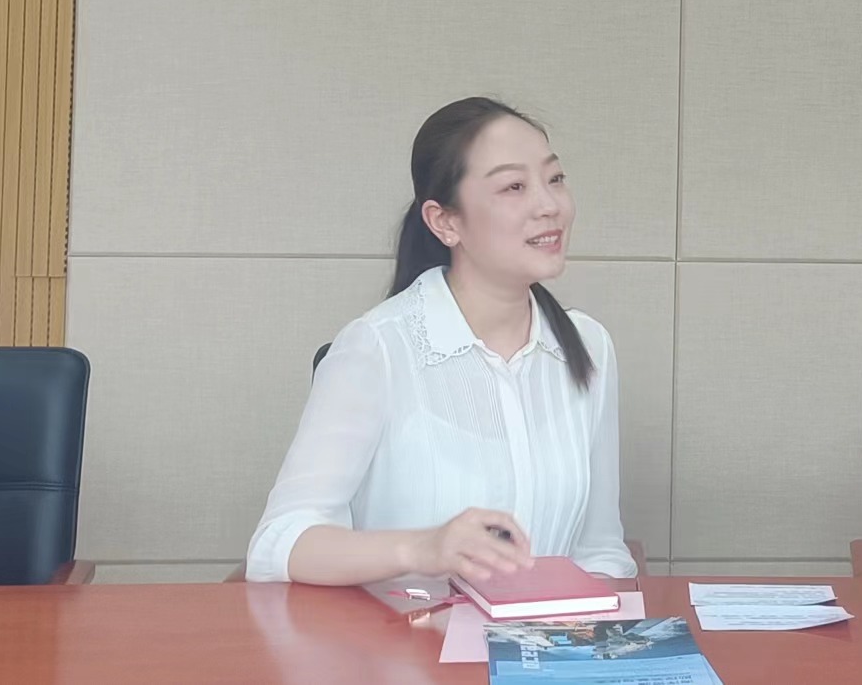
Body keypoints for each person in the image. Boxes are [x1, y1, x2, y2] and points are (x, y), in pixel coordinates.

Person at [245, 96, 635, 585]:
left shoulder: (589, 346)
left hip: (551, 635)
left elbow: (600, 548)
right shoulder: (376, 348)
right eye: (514, 186)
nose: (549, 205)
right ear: (445, 221)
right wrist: (422, 547)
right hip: (405, 633)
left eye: (555, 178)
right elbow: (279, 544)